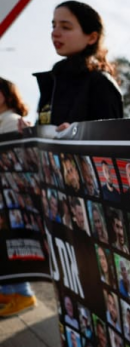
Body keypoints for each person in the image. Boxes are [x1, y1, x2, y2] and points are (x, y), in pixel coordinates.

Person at [26, 1, 122, 132]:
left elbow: (112, 141)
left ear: (92, 37)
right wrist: (30, 132)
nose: (55, 33)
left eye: (65, 27)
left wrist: (76, 137)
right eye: (53, 26)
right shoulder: (52, 80)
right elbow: (48, 135)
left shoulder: (100, 82)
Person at [0, 77, 37, 317]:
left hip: (9, 195)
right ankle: (9, 291)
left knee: (9, 243)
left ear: (5, 95)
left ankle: (23, 295)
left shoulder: (11, 122)